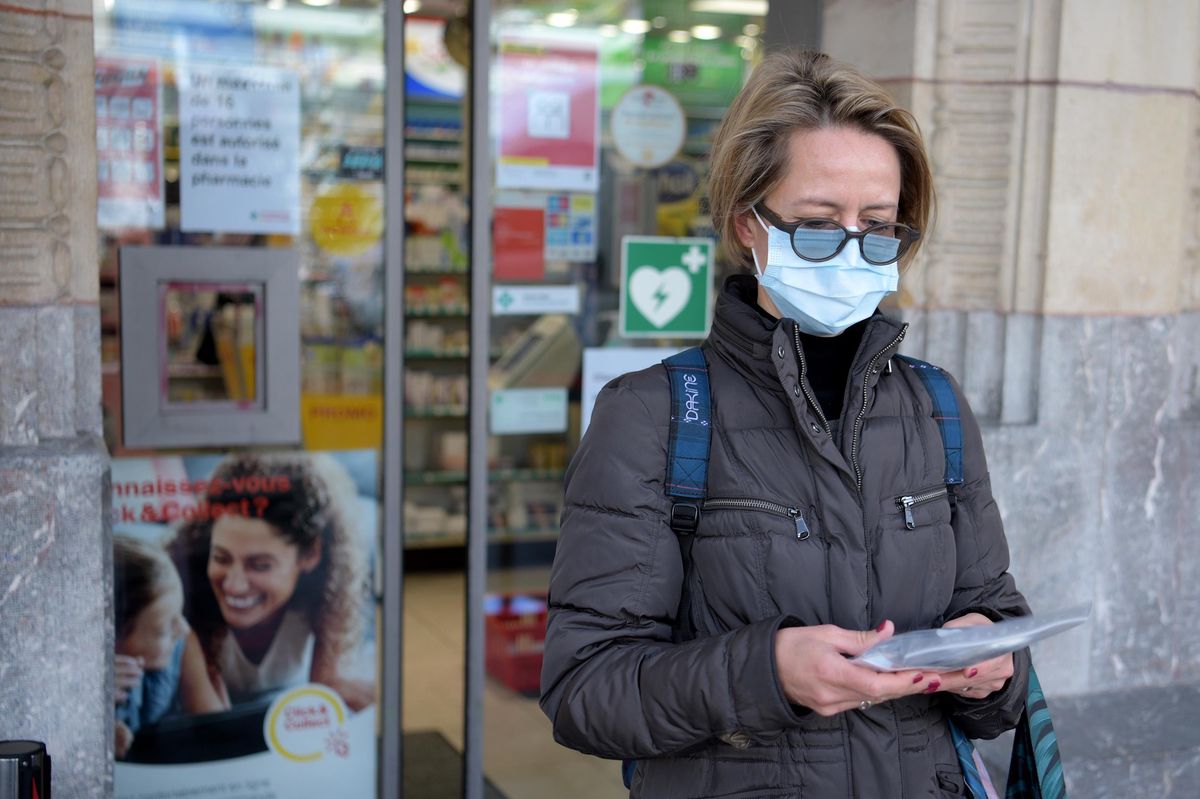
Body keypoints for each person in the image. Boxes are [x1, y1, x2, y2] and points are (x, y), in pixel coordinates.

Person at [540, 50, 1031, 798]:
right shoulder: (653, 413)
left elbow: (1000, 627)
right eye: (815, 225)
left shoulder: (935, 406)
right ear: (748, 224)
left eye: (876, 226)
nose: (851, 249)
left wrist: (990, 665)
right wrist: (766, 673)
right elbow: (585, 689)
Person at [168, 453, 374, 712]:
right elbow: (211, 724)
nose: (234, 585)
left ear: (310, 555)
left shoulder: (327, 594)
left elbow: (325, 693)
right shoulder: (180, 594)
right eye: (221, 558)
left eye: (260, 565)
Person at [113, 535, 228, 759]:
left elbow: (215, 731)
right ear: (111, 640)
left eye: (180, 614)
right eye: (162, 630)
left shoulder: (179, 643)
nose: (182, 629)